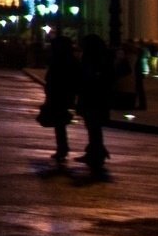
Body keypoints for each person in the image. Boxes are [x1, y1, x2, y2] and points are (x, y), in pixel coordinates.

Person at [75, 34, 117, 167]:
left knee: (93, 126)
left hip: (92, 97)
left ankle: (96, 153)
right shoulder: (102, 58)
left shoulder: (92, 59)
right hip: (97, 97)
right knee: (94, 127)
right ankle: (96, 151)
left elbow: (87, 77)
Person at [39, 32, 81, 163]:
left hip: (59, 93)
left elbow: (53, 77)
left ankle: (62, 148)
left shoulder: (60, 59)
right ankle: (62, 148)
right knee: (60, 123)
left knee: (59, 122)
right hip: (63, 94)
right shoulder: (70, 59)